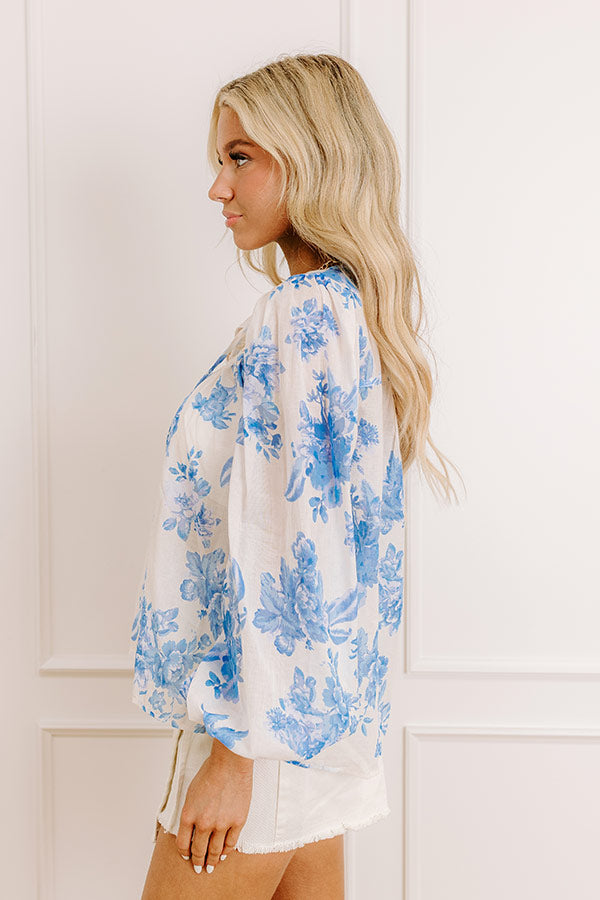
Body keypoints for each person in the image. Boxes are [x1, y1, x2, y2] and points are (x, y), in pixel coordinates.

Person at [131, 52, 462, 899]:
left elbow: (287, 547)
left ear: (313, 157)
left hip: (262, 733)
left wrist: (234, 754)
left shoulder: (301, 316)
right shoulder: (351, 309)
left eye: (240, 158)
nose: (219, 188)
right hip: (320, 727)